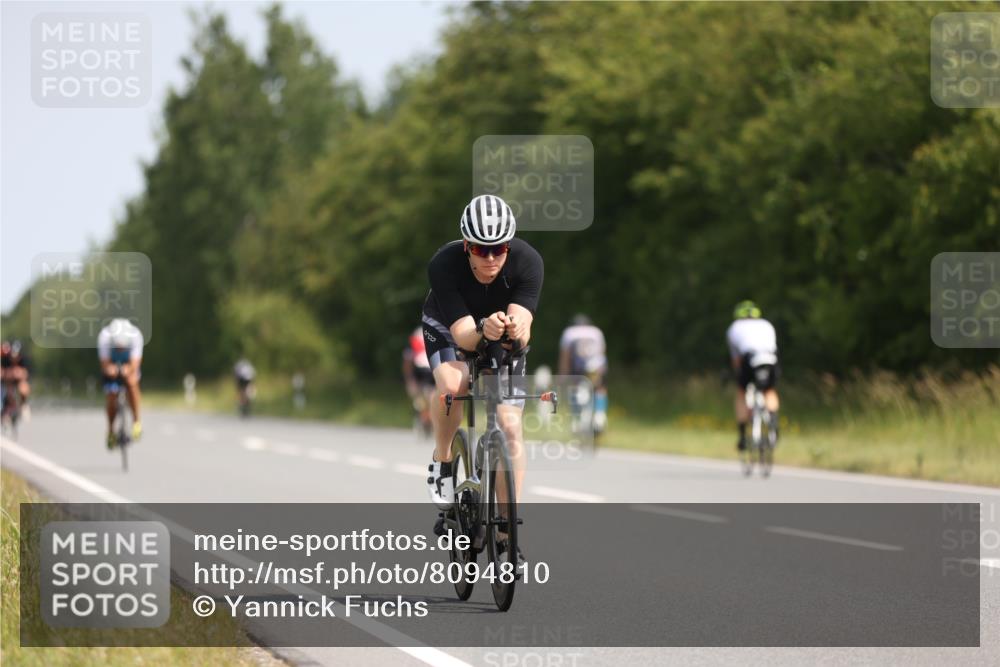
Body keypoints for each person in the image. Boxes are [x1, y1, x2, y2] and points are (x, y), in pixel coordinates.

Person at [422, 194, 543, 519]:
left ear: (509, 245)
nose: (490, 258)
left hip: (498, 331)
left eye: (498, 249)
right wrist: (483, 328)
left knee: (509, 425)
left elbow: (525, 327)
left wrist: (515, 329)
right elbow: (463, 335)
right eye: (480, 249)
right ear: (466, 245)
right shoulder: (444, 264)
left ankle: (506, 526)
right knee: (454, 383)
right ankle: (443, 460)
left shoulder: (528, 261)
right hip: (450, 324)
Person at [726, 300, 780, 451]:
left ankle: (743, 436)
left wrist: (738, 376)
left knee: (741, 393)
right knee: (769, 390)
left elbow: (736, 360)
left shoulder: (734, 328)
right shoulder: (767, 324)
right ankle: (774, 423)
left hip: (750, 359)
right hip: (770, 359)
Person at [97, 318, 144, 448]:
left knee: (132, 382)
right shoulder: (104, 337)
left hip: (129, 365)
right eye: (117, 347)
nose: (119, 349)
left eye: (122, 347)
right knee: (111, 394)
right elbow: (105, 363)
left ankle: (136, 421)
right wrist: (111, 370)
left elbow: (135, 364)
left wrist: (126, 370)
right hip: (111, 364)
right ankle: (111, 431)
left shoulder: (136, 336)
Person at [558, 314, 608, 435]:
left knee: (575, 390)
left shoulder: (569, 332)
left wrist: (563, 374)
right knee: (600, 389)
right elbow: (601, 352)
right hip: (595, 366)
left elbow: (565, 356)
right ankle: (600, 415)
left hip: (578, 366)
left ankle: (577, 420)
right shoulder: (596, 331)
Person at [402, 326, 435, 436]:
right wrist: (410, 379)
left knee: (427, 398)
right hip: (427, 369)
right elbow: (409, 358)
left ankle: (427, 418)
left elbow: (408, 359)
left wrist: (409, 379)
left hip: (425, 369)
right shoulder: (418, 334)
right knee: (425, 397)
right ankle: (425, 418)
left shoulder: (417, 333)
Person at [1, 340, 32, 422]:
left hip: (19, 382)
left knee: (24, 387)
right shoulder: (5, 359)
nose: (14, 358)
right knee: (7, 388)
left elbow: (25, 374)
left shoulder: (24, 359)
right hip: (7, 382)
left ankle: (23, 405)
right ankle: (7, 407)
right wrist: (10, 373)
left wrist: (17, 372)